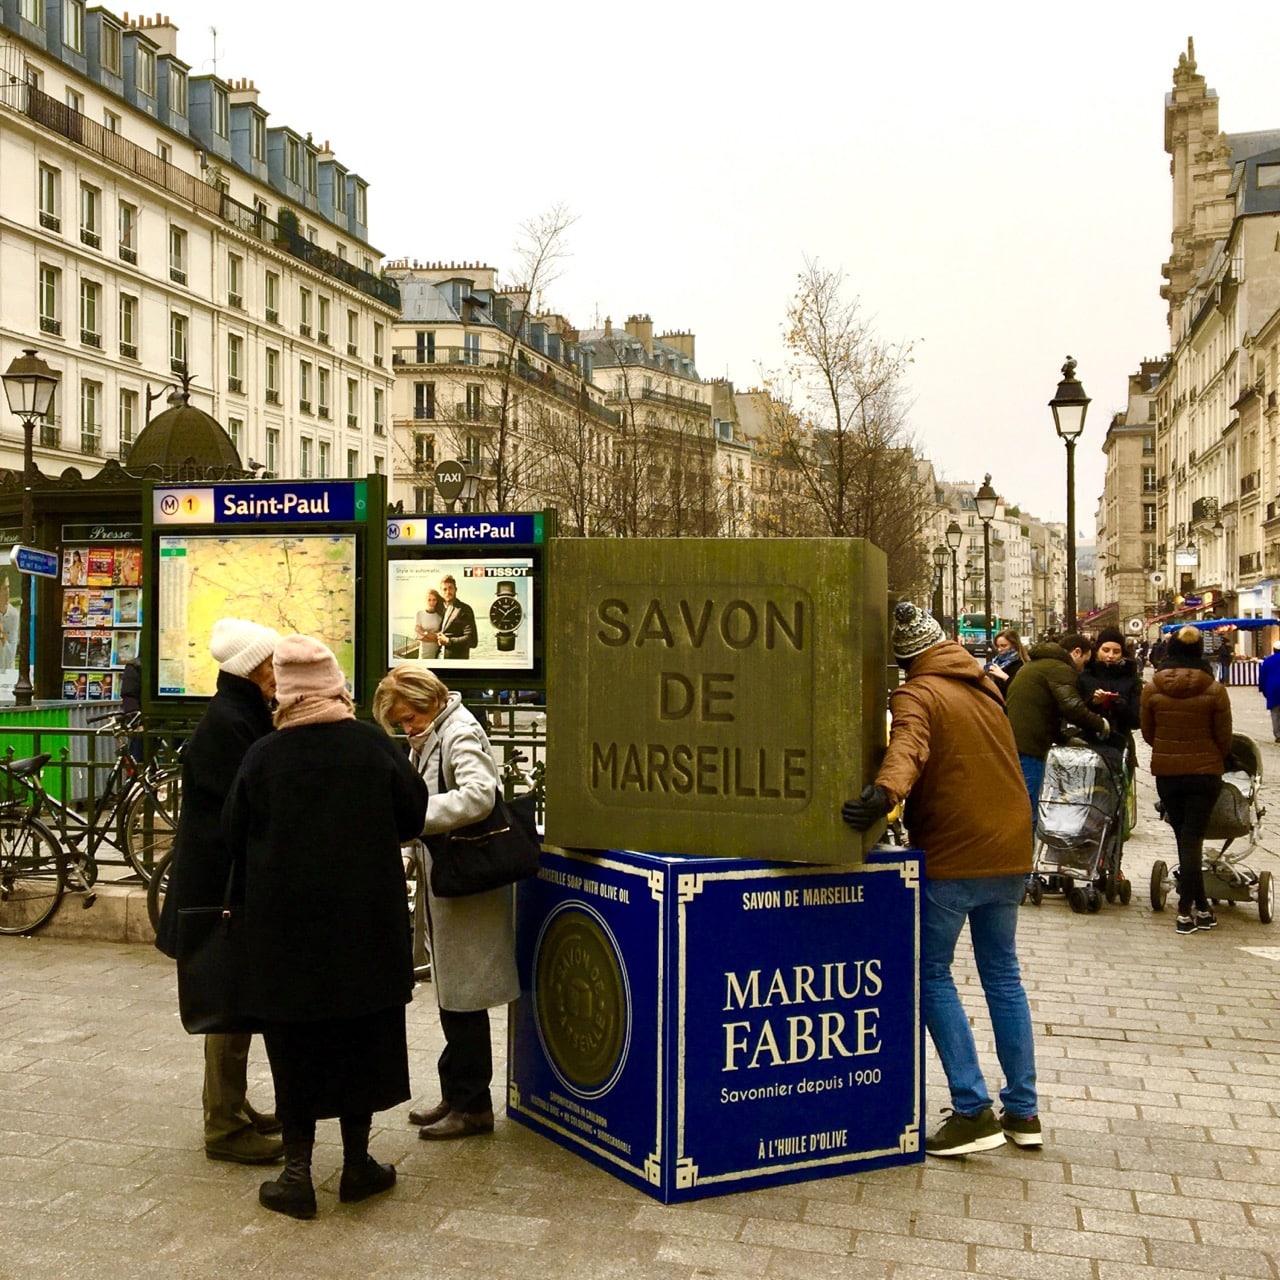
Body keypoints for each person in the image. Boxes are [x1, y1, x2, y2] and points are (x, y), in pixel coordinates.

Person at [224, 636, 429, 1219]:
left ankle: (297, 1175)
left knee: (296, 1045)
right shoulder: (372, 746)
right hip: (365, 930)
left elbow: (232, 829)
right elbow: (412, 815)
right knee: (360, 1038)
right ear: (335, 685)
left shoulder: (263, 756)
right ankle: (359, 1165)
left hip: (287, 937)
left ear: (284, 695)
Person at [841, 601, 1039, 1156]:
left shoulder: (917, 691)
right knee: (1003, 974)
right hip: (1011, 847)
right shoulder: (983, 686)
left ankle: (973, 1109)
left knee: (930, 973)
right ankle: (1023, 1110)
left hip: (957, 851)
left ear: (906, 660)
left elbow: (909, 743)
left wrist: (884, 795)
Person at [155, 619, 284, 1166]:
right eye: (274, 663)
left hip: (221, 885)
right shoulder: (230, 725)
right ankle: (224, 1126)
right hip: (219, 890)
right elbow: (241, 812)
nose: (281, 672)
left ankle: (232, 1105)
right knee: (228, 1006)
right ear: (254, 669)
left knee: (236, 1001)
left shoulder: (239, 716)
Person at [372, 665, 519, 1141]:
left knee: (465, 996)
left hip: (468, 884)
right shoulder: (436, 731)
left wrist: (418, 817)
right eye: (401, 722)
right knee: (453, 994)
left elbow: (479, 794)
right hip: (450, 881)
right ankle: (456, 1093)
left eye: (410, 717)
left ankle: (473, 1106)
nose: (407, 727)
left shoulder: (458, 732)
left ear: (430, 699)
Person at [1141, 624, 1233, 935]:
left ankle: (1199, 907)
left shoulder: (1153, 688)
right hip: (1205, 773)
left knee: (1184, 837)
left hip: (1168, 773)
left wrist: (1168, 747)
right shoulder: (1215, 689)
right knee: (1193, 838)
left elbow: (1148, 733)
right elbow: (1224, 737)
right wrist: (1214, 756)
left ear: (1171, 651)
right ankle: (1190, 909)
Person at [1004, 633, 1111, 819]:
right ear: (1077, 653)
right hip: (1029, 746)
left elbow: (1044, 710)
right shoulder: (1059, 668)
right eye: (1085, 662)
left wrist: (1064, 738)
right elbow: (1072, 706)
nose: (1082, 669)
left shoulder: (1036, 665)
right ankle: (1026, 846)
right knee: (1029, 807)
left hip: (1017, 741)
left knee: (1023, 801)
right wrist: (1101, 724)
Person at [435, 574, 477, 659]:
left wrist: (448, 641)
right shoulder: (443, 609)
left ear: (456, 589)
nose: (447, 592)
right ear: (441, 592)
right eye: (444, 589)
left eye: (450, 588)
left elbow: (472, 640)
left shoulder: (464, 609)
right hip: (441, 660)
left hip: (457, 664)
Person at [984, 628, 1028, 699]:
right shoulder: (997, 661)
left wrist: (1004, 676)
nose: (999, 649)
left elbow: (1021, 690)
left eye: (1003, 646)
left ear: (1014, 645)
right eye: (997, 646)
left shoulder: (1021, 664)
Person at [1258, 640, 1280, 743]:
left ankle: (1278, 734)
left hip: (1273, 688)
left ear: (1274, 650)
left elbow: (1262, 677)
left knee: (1275, 712)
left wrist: (1262, 689)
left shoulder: (1267, 661)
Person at [414, 588, 444, 659]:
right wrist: (435, 638)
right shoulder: (419, 614)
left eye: (434, 600)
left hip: (437, 652)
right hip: (424, 653)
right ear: (425, 600)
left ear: (437, 601)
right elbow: (417, 637)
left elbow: (440, 637)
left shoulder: (440, 616)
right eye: (429, 600)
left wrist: (423, 632)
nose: (431, 602)